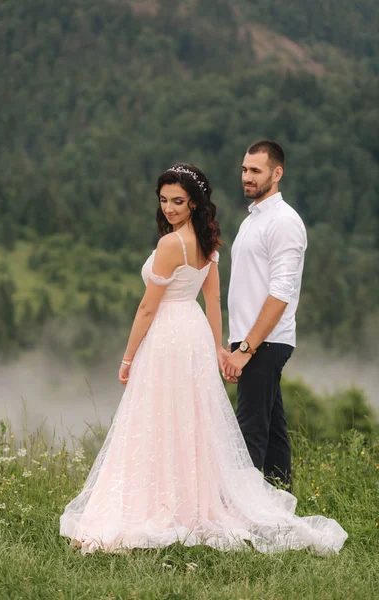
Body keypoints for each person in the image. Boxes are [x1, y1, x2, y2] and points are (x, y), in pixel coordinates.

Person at [60, 163, 347, 555]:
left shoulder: (170, 244)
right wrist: (215, 346)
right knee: (190, 418)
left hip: (167, 335)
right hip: (192, 333)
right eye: (163, 200)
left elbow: (148, 308)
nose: (169, 208)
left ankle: (155, 506)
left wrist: (128, 357)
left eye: (177, 201)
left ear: (194, 202)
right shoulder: (208, 240)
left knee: (157, 416)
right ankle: (189, 504)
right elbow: (211, 299)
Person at [224, 140, 307, 490]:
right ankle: (279, 506)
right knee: (271, 432)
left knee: (249, 433)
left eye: (255, 170)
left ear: (277, 173)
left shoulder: (285, 222)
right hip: (251, 339)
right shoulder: (253, 220)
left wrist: (246, 349)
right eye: (245, 169)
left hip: (264, 342)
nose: (247, 176)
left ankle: (242, 518)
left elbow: (281, 293)